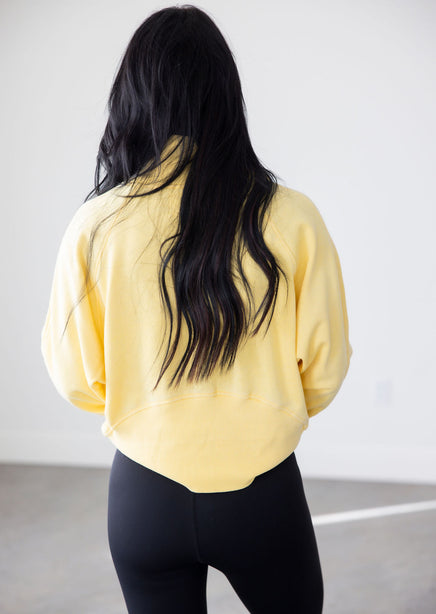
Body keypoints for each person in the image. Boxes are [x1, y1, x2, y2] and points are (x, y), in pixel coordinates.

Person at [40, 4, 353, 613]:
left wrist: (150, 408)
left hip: (144, 494)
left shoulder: (96, 225)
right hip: (263, 492)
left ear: (132, 97)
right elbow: (325, 366)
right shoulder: (292, 216)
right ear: (226, 97)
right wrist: (265, 413)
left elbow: (75, 378)